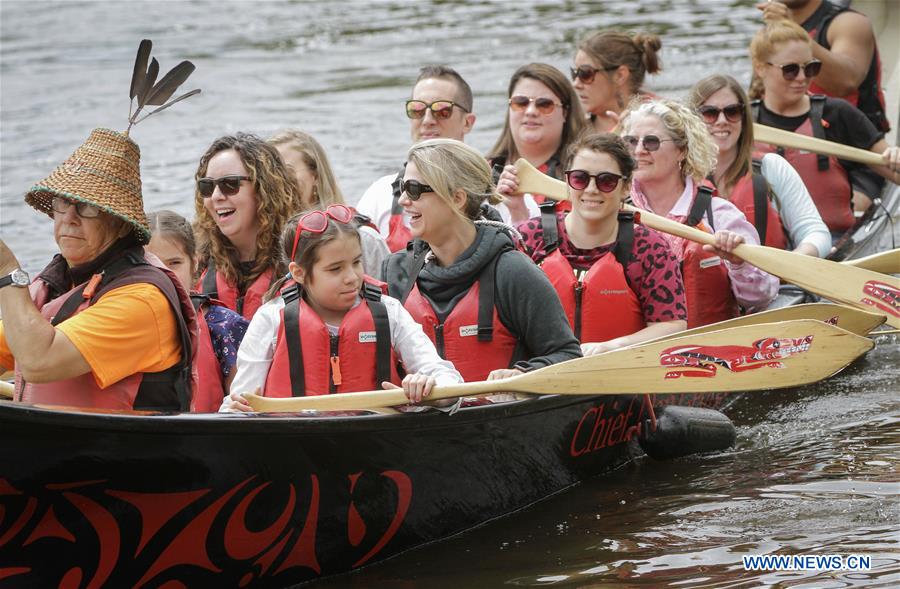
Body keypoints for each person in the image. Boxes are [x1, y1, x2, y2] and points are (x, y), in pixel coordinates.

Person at [0, 129, 196, 410]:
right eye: (63, 202)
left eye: (87, 207)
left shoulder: (144, 299)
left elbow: (38, 362)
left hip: (125, 452)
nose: (69, 218)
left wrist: (7, 270)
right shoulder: (58, 283)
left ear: (122, 225)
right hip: (57, 449)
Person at [221, 205, 462, 411]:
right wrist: (236, 409)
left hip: (379, 448)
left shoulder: (389, 311)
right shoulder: (270, 318)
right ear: (299, 273)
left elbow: (447, 380)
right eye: (335, 269)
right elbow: (236, 403)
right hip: (294, 450)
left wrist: (431, 388)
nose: (352, 277)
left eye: (356, 262)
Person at [383, 139, 582, 384]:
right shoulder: (395, 272)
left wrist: (522, 374)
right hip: (420, 420)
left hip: (498, 419)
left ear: (457, 198)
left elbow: (568, 356)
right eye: (402, 187)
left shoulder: (514, 273)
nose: (402, 199)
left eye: (413, 189)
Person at [517, 133, 687, 355]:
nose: (591, 189)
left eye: (606, 180)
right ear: (568, 182)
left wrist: (611, 347)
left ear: (626, 187)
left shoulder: (650, 248)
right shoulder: (529, 238)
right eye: (580, 178)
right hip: (542, 377)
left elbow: (673, 325)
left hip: (616, 378)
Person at [620, 99, 780, 328]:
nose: (638, 150)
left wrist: (738, 263)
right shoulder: (616, 213)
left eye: (652, 142)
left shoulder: (719, 216)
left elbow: (763, 296)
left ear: (681, 151)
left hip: (707, 351)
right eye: (631, 141)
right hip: (635, 351)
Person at [749, 19, 899, 234]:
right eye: (790, 70)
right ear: (761, 68)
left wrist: (894, 157)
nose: (802, 78)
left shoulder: (837, 113)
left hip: (832, 239)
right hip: (768, 247)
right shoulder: (740, 121)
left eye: (810, 68)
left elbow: (894, 171)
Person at [688, 74, 831, 257]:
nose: (722, 120)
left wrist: (794, 262)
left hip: (773, 282)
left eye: (732, 111)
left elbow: (815, 232)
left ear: (744, 117)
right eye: (709, 113)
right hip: (705, 283)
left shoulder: (771, 167)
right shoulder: (680, 176)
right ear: (693, 120)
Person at [356, 65, 477, 253]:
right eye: (417, 109)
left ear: (467, 122)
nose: (427, 119)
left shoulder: (496, 198)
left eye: (442, 110)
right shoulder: (379, 196)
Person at [194, 132, 304, 320]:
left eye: (230, 184)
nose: (216, 196)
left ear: (264, 189)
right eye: (207, 186)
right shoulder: (193, 263)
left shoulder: (304, 258)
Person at [147, 210, 249, 411]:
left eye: (174, 263)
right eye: (151, 264)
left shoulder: (223, 326)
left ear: (194, 263)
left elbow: (245, 396)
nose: (164, 274)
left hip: (204, 437)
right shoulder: (116, 322)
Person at [269, 129, 390, 278]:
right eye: (269, 173)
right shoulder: (258, 244)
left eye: (287, 171)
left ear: (316, 176)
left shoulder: (365, 240)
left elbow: (391, 297)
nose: (276, 180)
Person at [756, 0, 890, 132]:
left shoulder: (850, 23)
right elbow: (757, 91)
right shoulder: (771, 31)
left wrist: (792, 30)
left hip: (847, 140)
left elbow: (846, 82)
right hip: (788, 136)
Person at [491, 63, 587, 222]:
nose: (530, 112)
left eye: (544, 104)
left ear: (565, 113)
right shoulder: (482, 173)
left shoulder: (584, 179)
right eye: (520, 102)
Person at [571, 31, 663, 133]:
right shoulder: (571, 128)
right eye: (574, 73)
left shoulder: (664, 122)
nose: (576, 84)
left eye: (585, 74)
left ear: (620, 76)